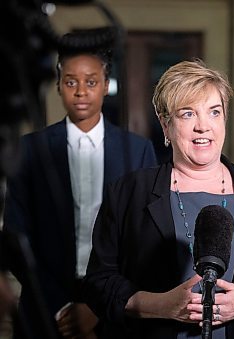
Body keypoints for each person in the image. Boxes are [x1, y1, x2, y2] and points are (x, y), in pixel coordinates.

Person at [82, 59, 234, 338]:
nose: (203, 126)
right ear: (165, 124)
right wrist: (159, 305)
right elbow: (99, 283)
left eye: (214, 112)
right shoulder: (127, 194)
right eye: (187, 114)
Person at [3, 29, 157, 339]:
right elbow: (16, 236)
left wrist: (99, 306)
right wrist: (60, 306)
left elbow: (142, 238)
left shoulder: (137, 150)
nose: (81, 91)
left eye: (91, 81)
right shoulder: (31, 150)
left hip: (115, 311)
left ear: (105, 85)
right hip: (43, 312)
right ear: (58, 85)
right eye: (71, 81)